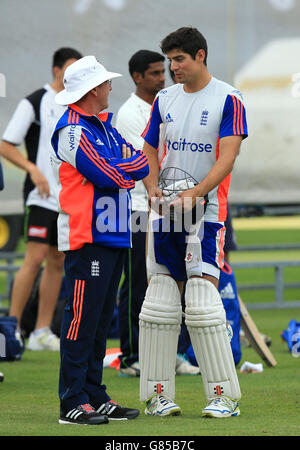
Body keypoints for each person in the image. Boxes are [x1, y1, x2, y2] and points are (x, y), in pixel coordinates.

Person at [139, 27, 248, 418]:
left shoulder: (229, 98)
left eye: (179, 59)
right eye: (169, 60)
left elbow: (227, 157)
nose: (172, 67)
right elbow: (150, 146)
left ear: (200, 55)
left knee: (202, 302)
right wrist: (152, 187)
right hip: (165, 213)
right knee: (160, 302)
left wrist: (197, 193)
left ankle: (224, 397)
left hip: (206, 215)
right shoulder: (165, 98)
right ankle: (156, 396)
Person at [50, 55, 149, 425]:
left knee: (98, 318)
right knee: (81, 320)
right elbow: (106, 174)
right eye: (106, 83)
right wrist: (120, 168)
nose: (111, 87)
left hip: (114, 235)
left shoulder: (104, 126)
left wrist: (119, 168)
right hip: (86, 235)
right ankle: (72, 401)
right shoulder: (72, 129)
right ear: (93, 89)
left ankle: (93, 394)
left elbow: (139, 164)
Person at [115, 49, 199, 377]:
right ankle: (132, 355)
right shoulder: (130, 113)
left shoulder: (168, 104)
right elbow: (145, 159)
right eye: (153, 73)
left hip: (173, 207)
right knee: (139, 282)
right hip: (139, 207)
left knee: (173, 279)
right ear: (137, 77)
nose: (162, 77)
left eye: (162, 71)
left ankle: (173, 353)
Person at [0, 47, 82, 351]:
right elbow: (6, 145)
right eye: (69, 70)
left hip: (68, 197)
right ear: (56, 70)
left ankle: (41, 331)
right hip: (40, 195)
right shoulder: (35, 101)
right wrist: (33, 169)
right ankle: (12, 329)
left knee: (57, 260)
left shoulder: (78, 104)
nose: (72, 76)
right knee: (33, 259)